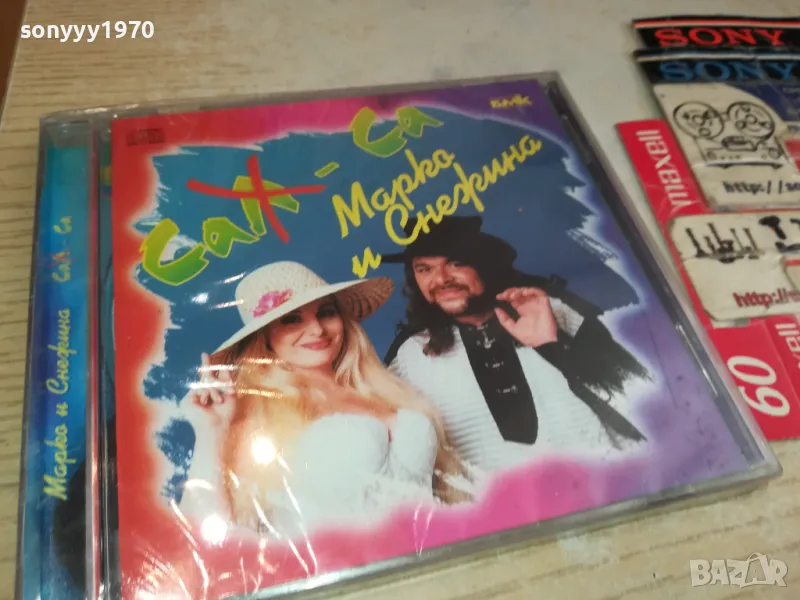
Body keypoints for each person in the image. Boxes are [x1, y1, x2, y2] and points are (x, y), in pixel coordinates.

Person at [177, 261, 472, 539]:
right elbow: (207, 534)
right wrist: (209, 431)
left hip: (441, 561)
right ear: (264, 337)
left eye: (326, 313)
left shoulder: (387, 388)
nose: (317, 329)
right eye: (292, 319)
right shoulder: (259, 414)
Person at [382, 215, 650, 473]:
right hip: (496, 500)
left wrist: (551, 347)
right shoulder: (409, 355)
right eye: (424, 269)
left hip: (606, 479)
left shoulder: (556, 310)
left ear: (483, 263)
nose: (441, 279)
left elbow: (641, 399)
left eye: (456, 263)